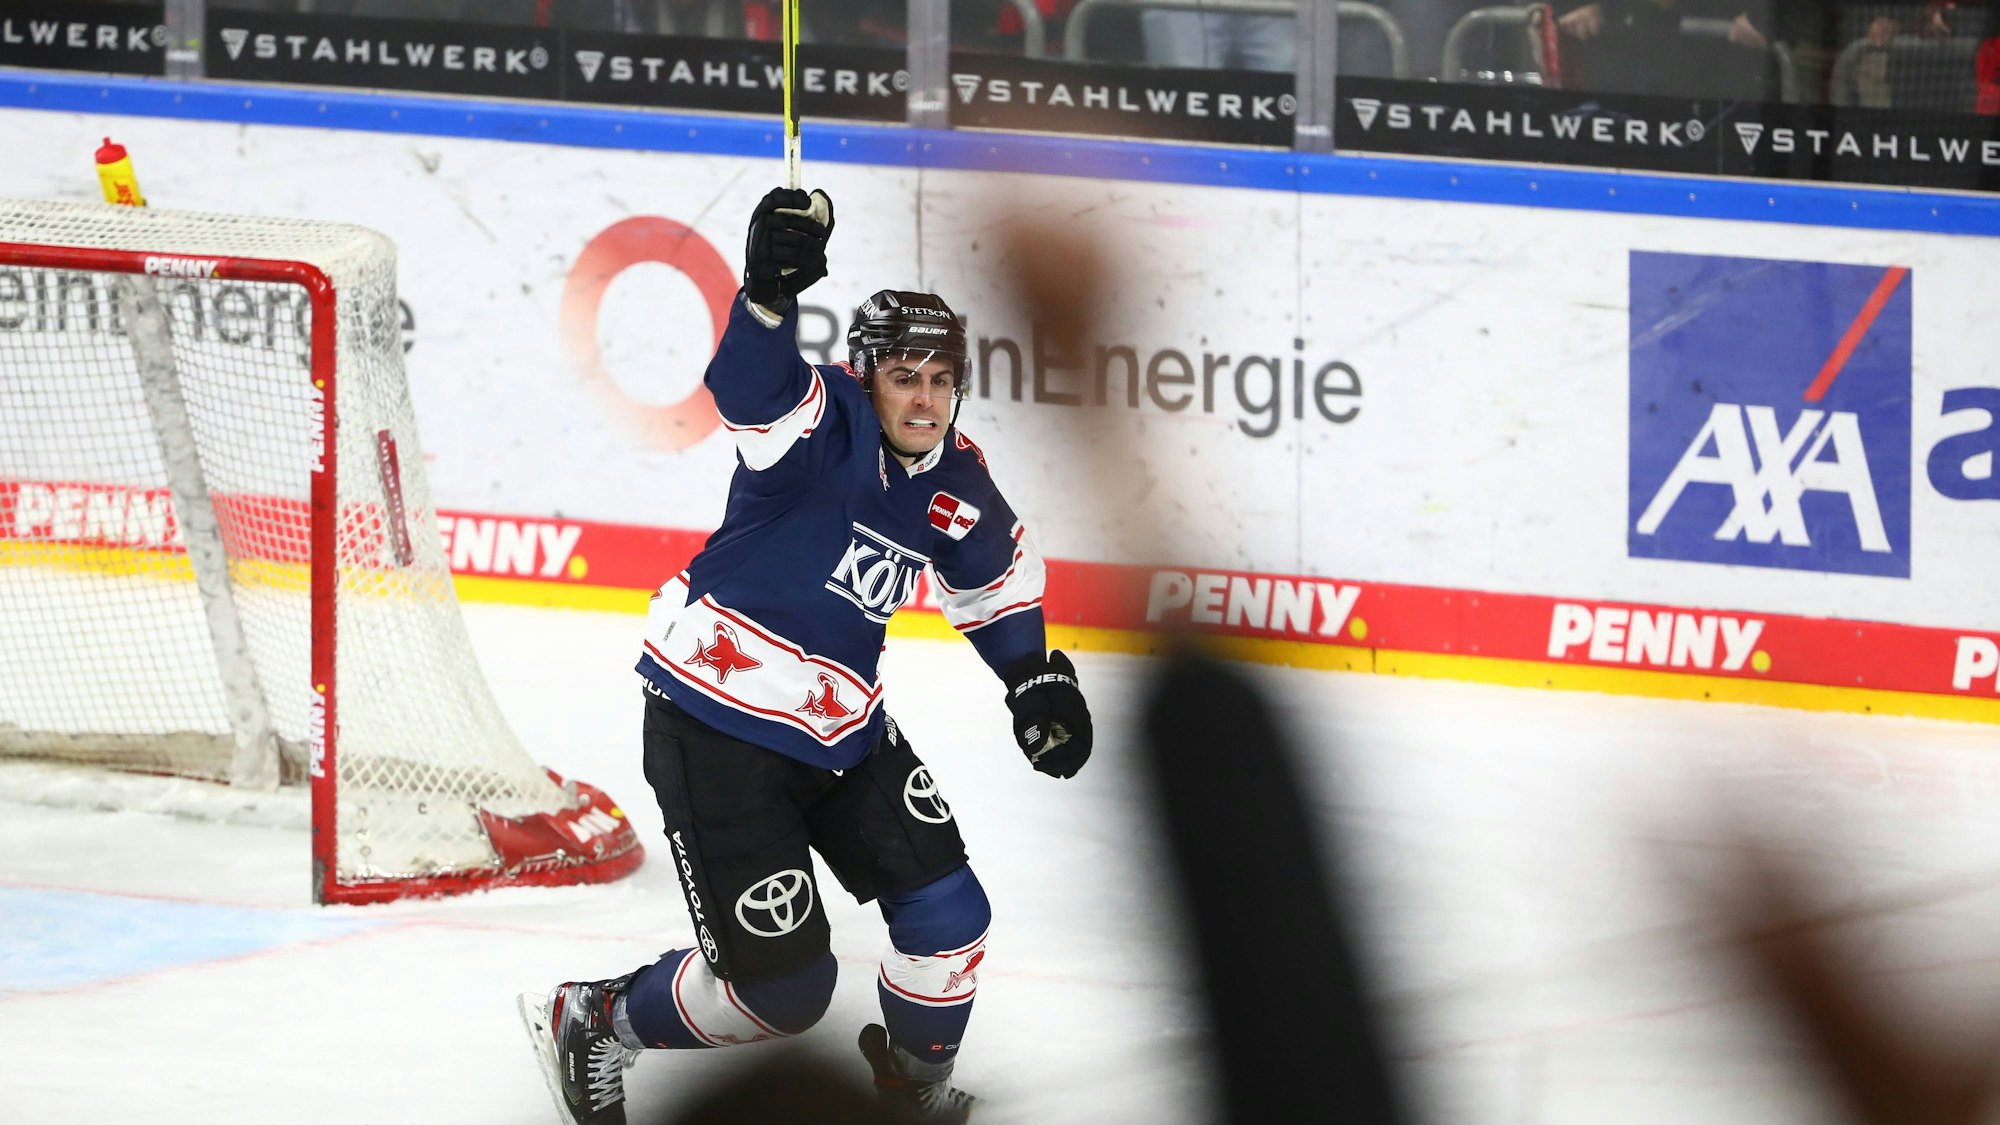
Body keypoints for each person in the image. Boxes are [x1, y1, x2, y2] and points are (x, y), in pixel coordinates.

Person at [517, 187, 1094, 1125]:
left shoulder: (955, 477)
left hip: (843, 726)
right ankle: (595, 1017)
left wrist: (1032, 677)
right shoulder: (821, 422)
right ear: (866, 375)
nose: (925, 397)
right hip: (717, 721)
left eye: (942, 379)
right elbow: (749, 391)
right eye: (904, 375)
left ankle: (907, 1094)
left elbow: (993, 583)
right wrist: (767, 300)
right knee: (782, 996)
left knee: (950, 921)